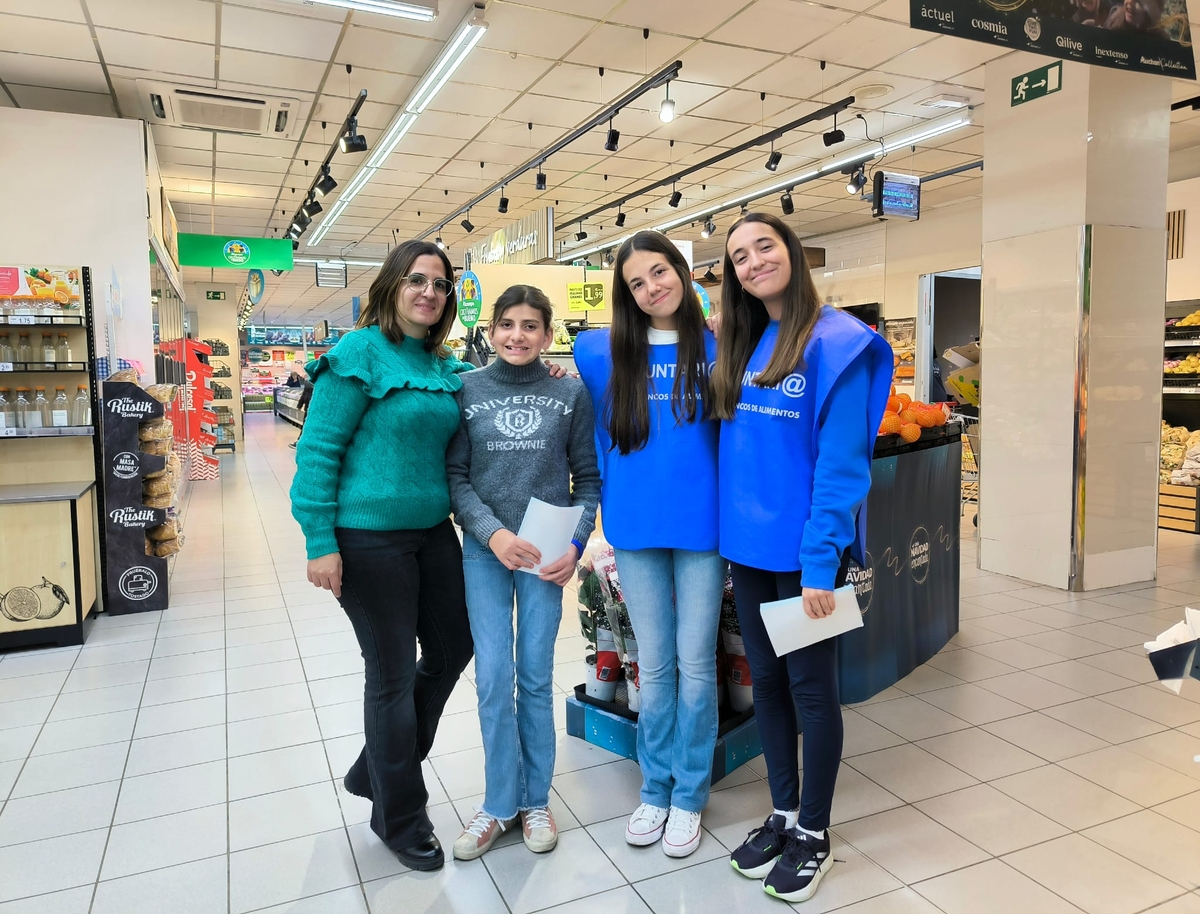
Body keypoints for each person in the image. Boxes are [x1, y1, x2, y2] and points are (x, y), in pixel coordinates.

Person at [710, 212, 891, 903]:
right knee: (770, 687)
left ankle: (814, 832)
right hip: (750, 555)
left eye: (765, 245)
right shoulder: (746, 342)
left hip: (806, 560)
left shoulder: (840, 344)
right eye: (740, 255)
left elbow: (842, 469)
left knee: (813, 691)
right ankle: (782, 813)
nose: (754, 260)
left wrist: (821, 565)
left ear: (791, 251)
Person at [290, 240, 475, 872]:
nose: (430, 292)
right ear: (392, 285)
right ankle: (398, 815)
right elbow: (317, 452)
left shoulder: (438, 363)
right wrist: (320, 541)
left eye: (441, 284)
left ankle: (376, 768)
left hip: (431, 534)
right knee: (392, 673)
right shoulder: (357, 353)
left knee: (454, 647)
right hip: (367, 540)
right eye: (417, 280)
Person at [575, 232, 724, 859]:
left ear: (682, 272)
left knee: (696, 666)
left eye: (660, 273)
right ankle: (654, 788)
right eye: (637, 283)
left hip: (704, 529)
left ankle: (690, 794)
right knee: (655, 667)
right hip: (635, 528)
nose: (651, 288)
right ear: (625, 294)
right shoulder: (601, 352)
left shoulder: (721, 345)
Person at [445, 284, 600, 860]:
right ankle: (498, 804)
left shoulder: (571, 394)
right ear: (489, 328)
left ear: (547, 331)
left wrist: (577, 543)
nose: (517, 336)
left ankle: (537, 800)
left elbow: (587, 479)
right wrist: (494, 533)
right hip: (486, 551)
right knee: (492, 678)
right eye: (507, 324)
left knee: (534, 676)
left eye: (530, 326)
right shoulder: (464, 388)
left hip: (546, 554)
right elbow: (455, 477)